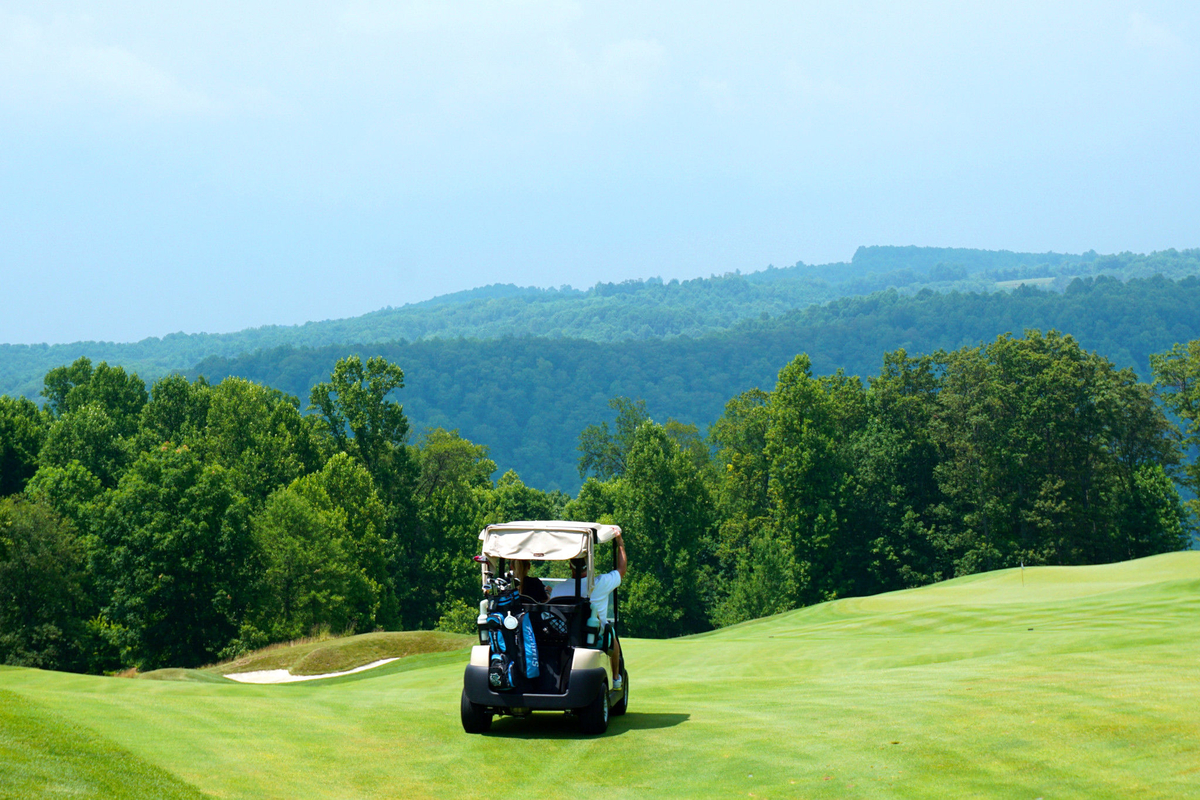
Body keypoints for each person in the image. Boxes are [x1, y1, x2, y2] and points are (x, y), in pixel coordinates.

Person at [549, 532, 627, 689]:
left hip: (564, 635)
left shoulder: (558, 589)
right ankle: (616, 677)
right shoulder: (601, 583)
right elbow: (622, 568)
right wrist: (620, 543)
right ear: (589, 563)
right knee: (610, 632)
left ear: (570, 565)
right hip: (593, 635)